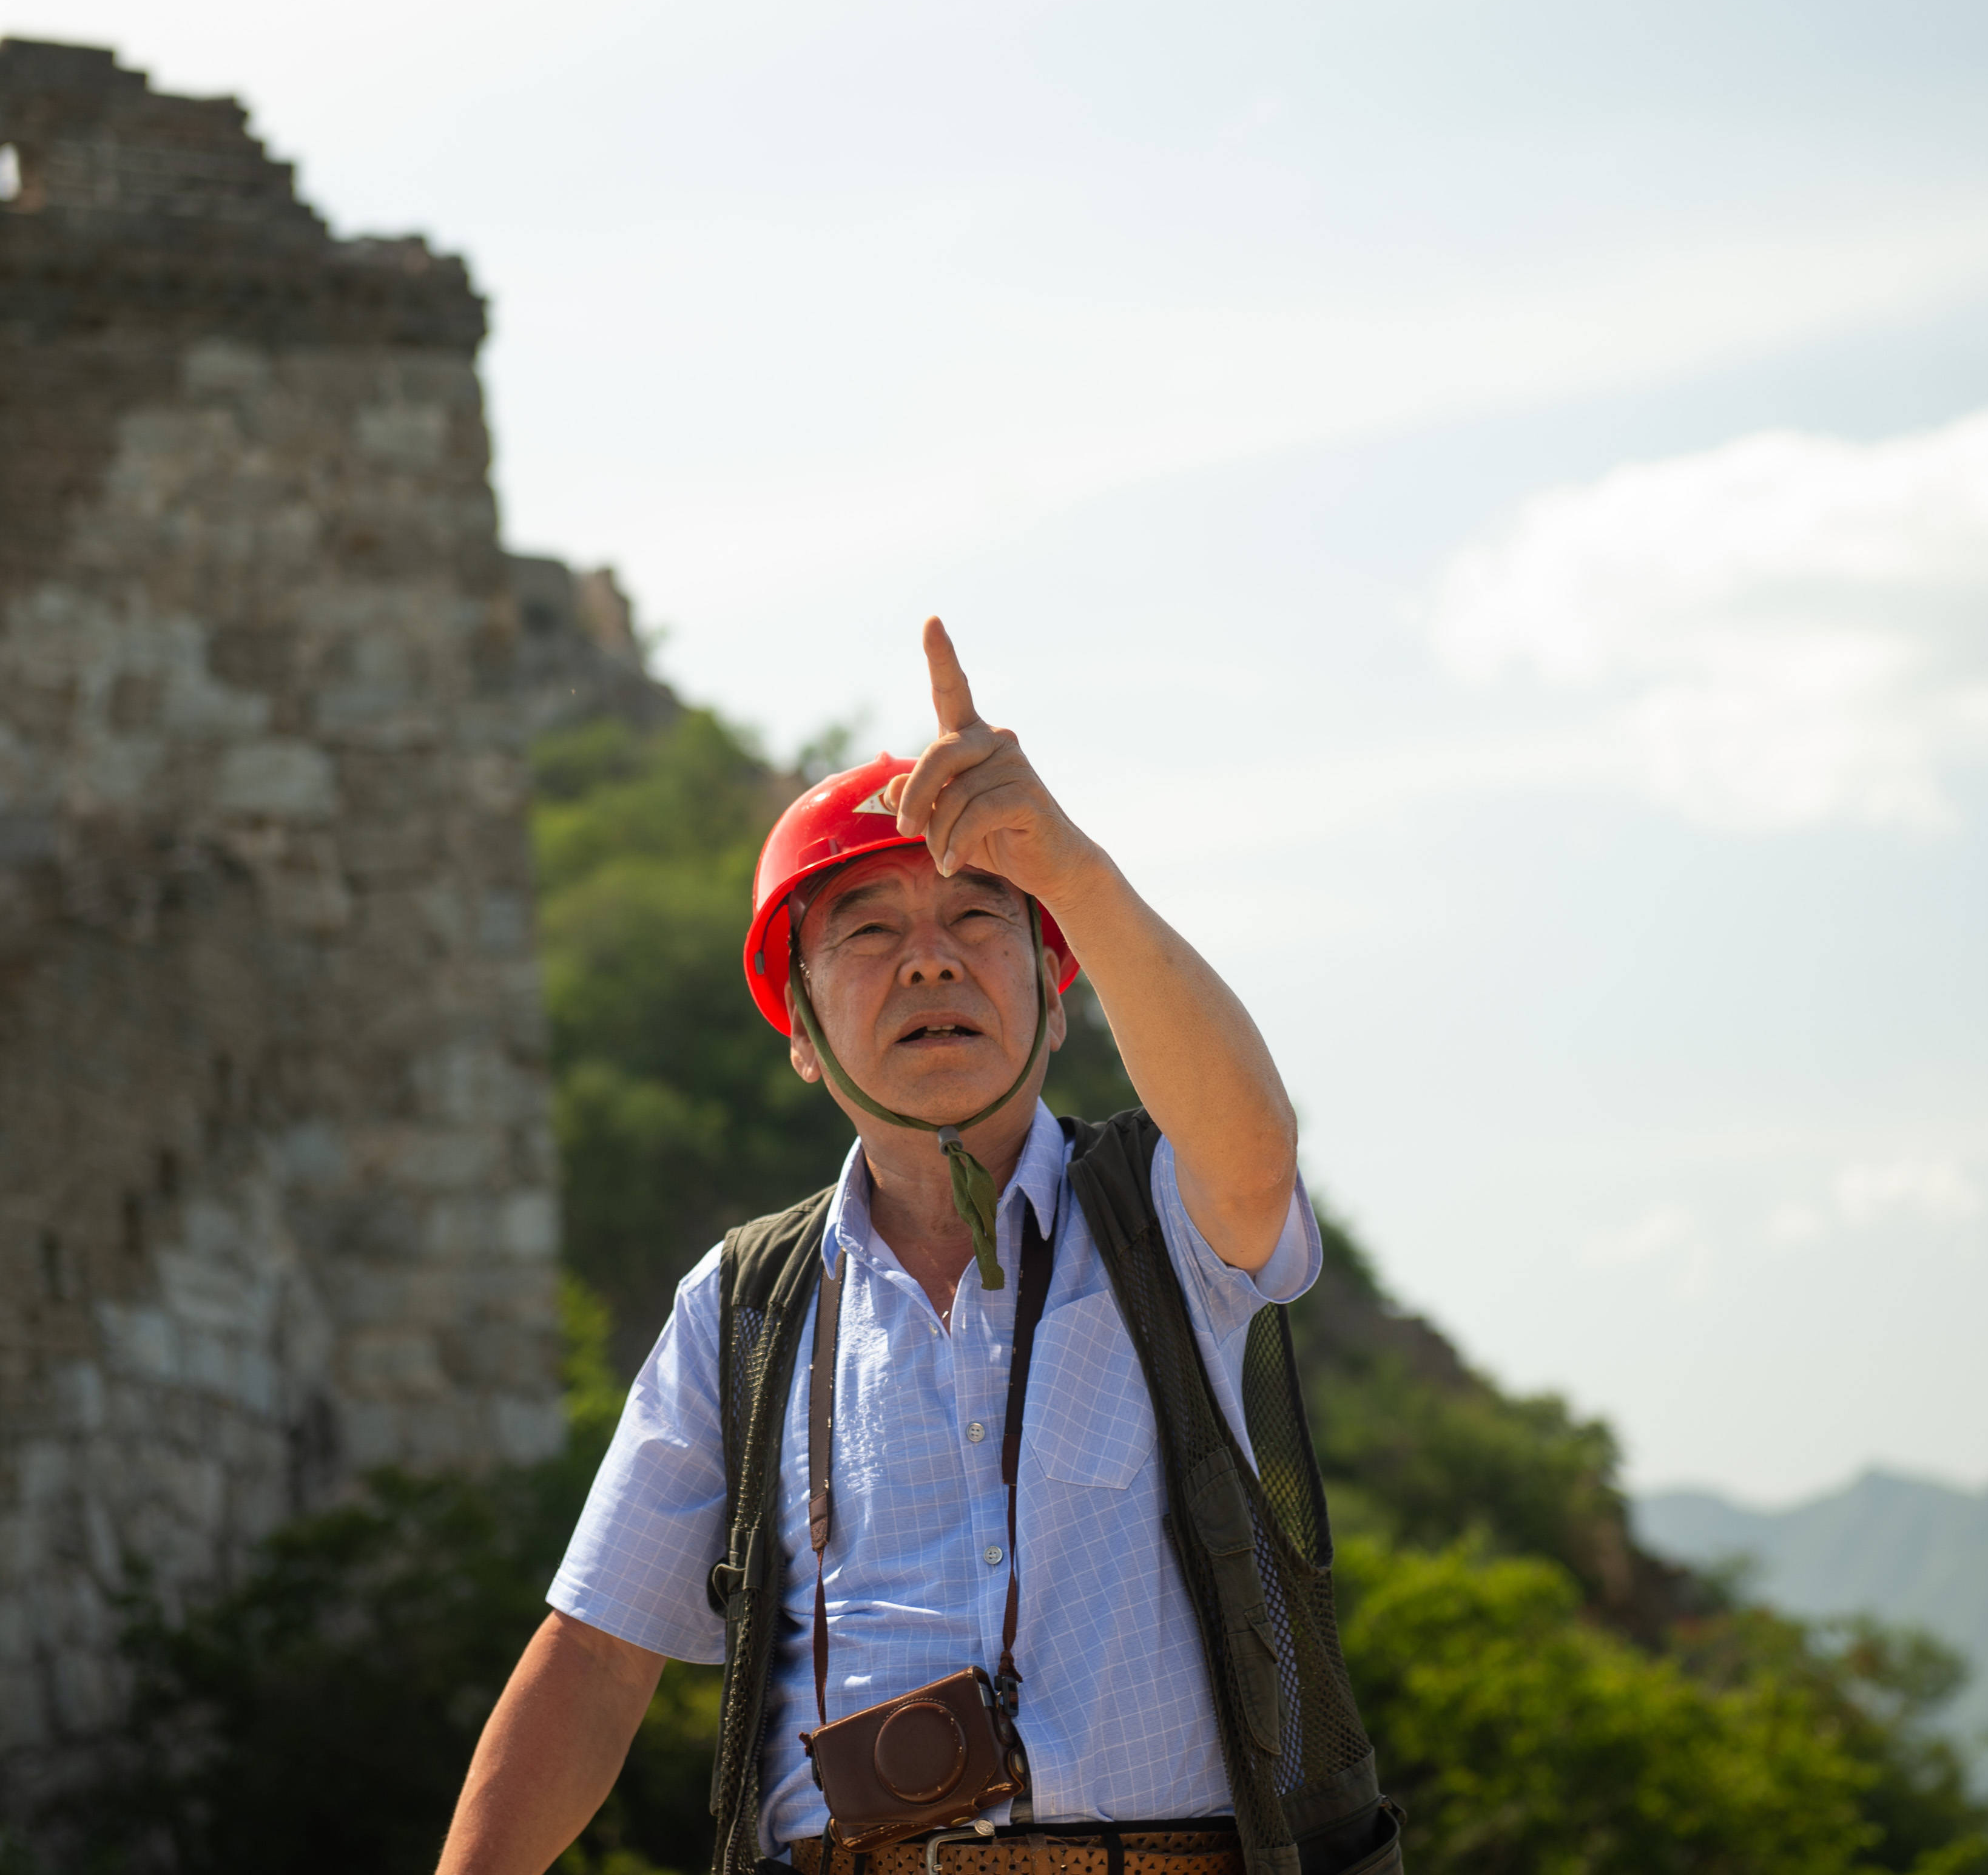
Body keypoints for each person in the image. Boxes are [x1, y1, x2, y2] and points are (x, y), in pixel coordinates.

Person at [437, 620, 1396, 1875]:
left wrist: (1073, 872)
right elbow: (598, 1654)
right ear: (799, 1028)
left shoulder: (1161, 1217)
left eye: (980, 916)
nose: (930, 954)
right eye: (868, 930)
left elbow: (1251, 1151)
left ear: (1059, 999)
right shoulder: (741, 1308)